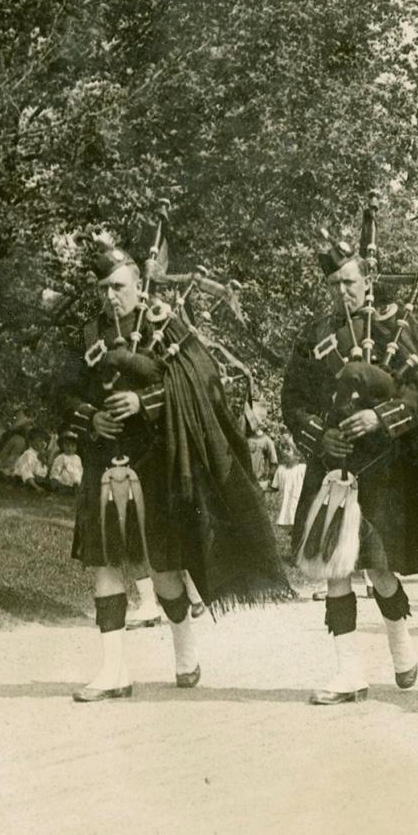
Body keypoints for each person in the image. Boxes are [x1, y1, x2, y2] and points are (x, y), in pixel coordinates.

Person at [58, 235, 291, 702]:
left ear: (138, 286)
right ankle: (113, 670)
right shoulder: (86, 335)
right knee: (106, 565)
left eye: (118, 285)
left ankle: (185, 650)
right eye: (103, 287)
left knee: (164, 569)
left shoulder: (168, 325)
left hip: (155, 463)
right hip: (103, 465)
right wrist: (92, 418)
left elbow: (203, 387)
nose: (110, 295)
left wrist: (142, 402)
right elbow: (62, 393)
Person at [281, 229, 418, 705]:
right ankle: (349, 672)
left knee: (381, 571)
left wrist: (380, 416)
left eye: (349, 282)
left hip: (386, 467)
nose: (342, 292)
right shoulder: (317, 335)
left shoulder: (397, 327)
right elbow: (293, 399)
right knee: (336, 567)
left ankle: (402, 648)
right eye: (334, 285)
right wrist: (318, 435)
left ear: (368, 280)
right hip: (335, 465)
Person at [272, 435, 307, 528]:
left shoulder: (302, 468)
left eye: (288, 449)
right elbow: (274, 487)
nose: (285, 452)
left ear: (297, 454)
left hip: (297, 503)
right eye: (283, 449)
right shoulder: (280, 469)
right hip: (283, 505)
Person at [0, 413, 32, 477]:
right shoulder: (16, 438)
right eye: (27, 427)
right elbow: (2, 451)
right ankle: (4, 470)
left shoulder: (24, 439)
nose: (28, 428)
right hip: (7, 461)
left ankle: (3, 470)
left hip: (8, 460)